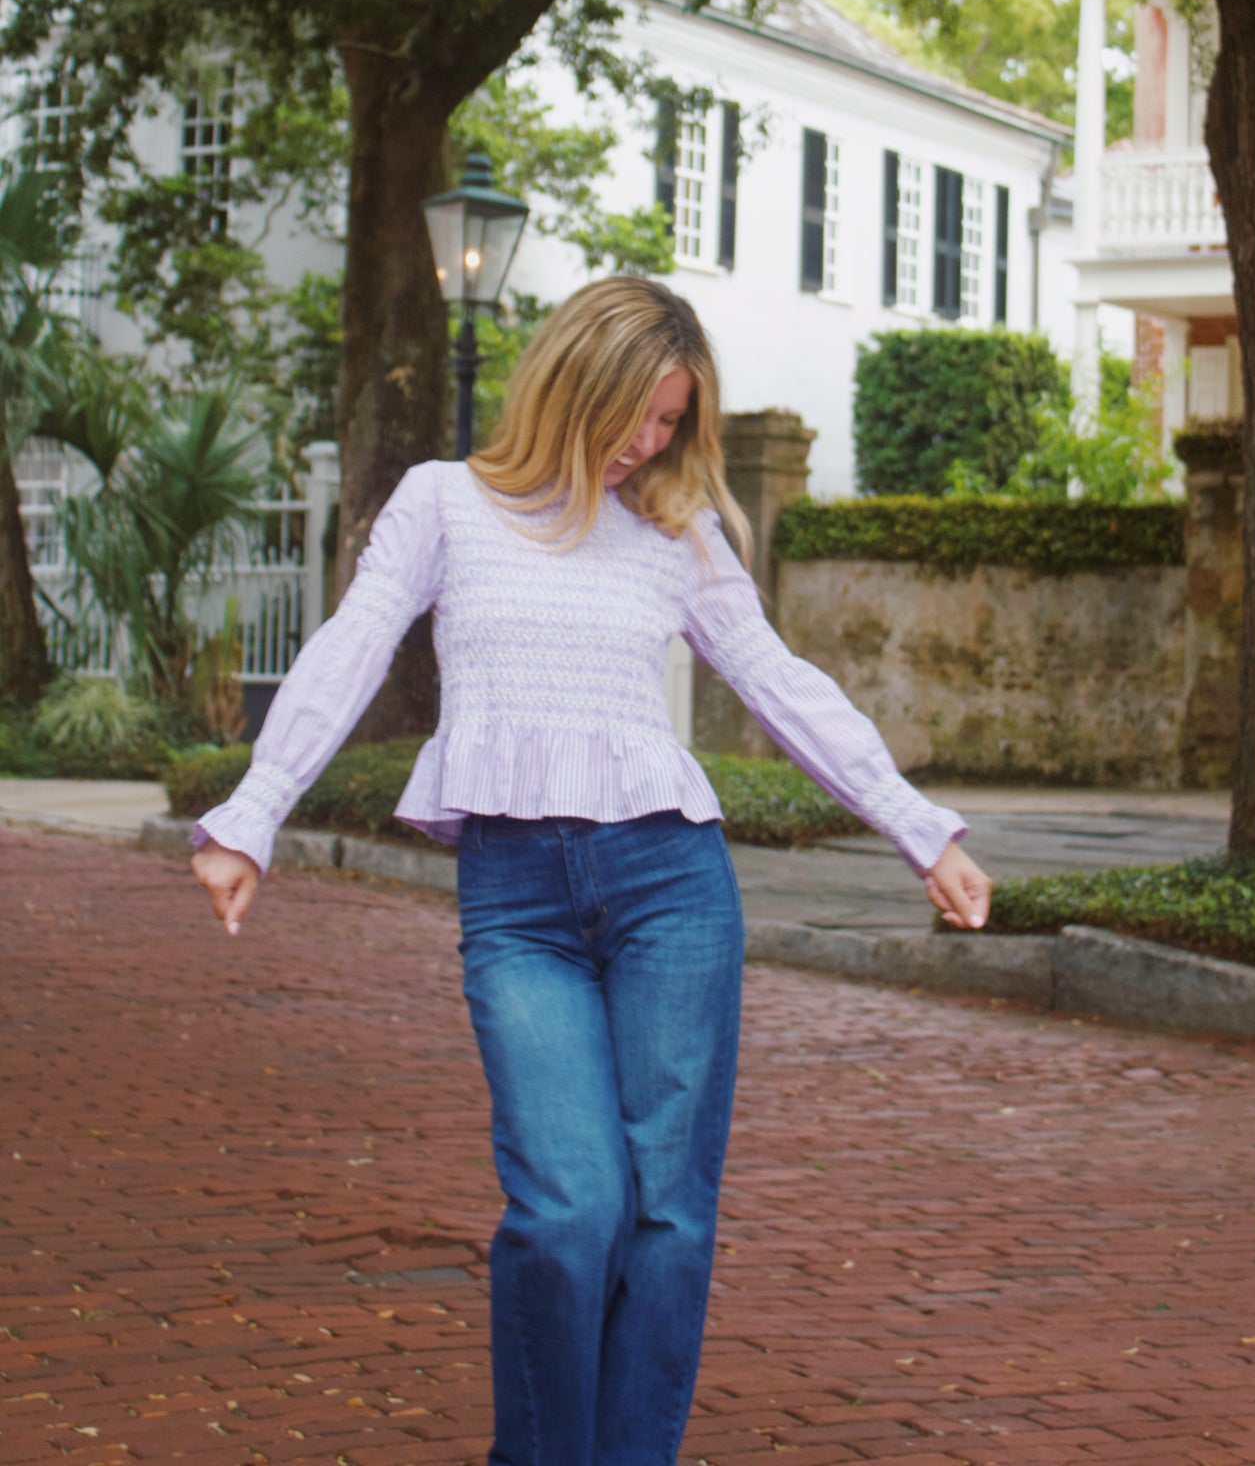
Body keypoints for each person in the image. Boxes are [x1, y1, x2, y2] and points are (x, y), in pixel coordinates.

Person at [191, 277, 991, 1466]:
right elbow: (348, 645)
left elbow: (774, 677)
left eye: (672, 422)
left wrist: (917, 824)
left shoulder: (677, 528)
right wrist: (252, 811)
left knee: (668, 1213)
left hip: (670, 883)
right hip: (517, 903)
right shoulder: (444, 503)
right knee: (569, 1209)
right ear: (570, 379)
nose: (648, 442)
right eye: (636, 414)